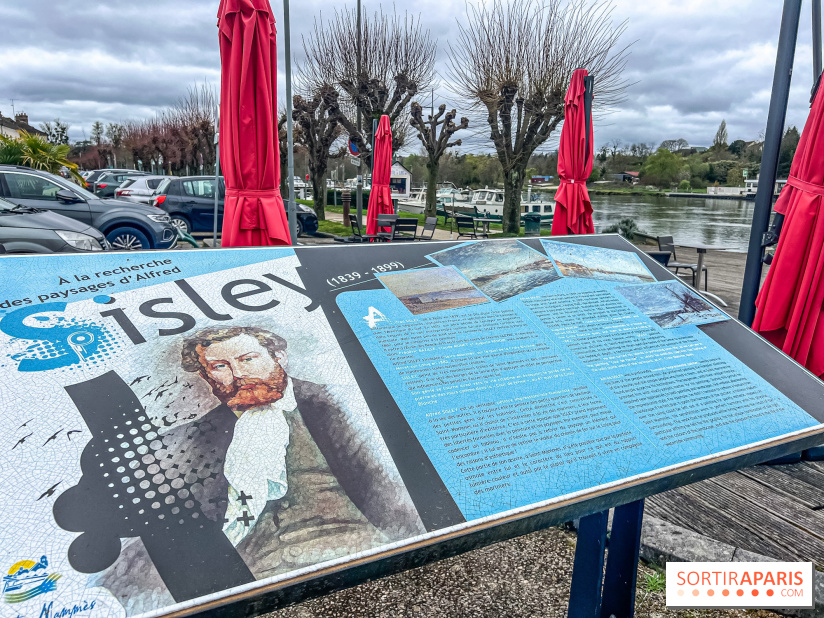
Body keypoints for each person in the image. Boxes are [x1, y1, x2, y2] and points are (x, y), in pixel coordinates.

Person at [93, 326, 424, 605]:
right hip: (250, 575)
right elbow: (167, 514)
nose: (238, 374)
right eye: (220, 366)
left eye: (248, 359)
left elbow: (397, 492)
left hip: (360, 554)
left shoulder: (338, 403)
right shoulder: (195, 435)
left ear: (278, 358)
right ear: (208, 377)